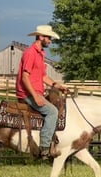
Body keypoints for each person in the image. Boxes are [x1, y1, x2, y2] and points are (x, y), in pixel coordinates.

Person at [16, 25, 68, 159]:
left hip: (36, 92)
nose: (50, 41)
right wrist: (35, 96)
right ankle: (45, 147)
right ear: (41, 37)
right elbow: (25, 77)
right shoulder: (30, 53)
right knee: (52, 111)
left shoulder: (40, 54)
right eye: (49, 38)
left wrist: (57, 85)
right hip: (27, 94)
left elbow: (43, 76)